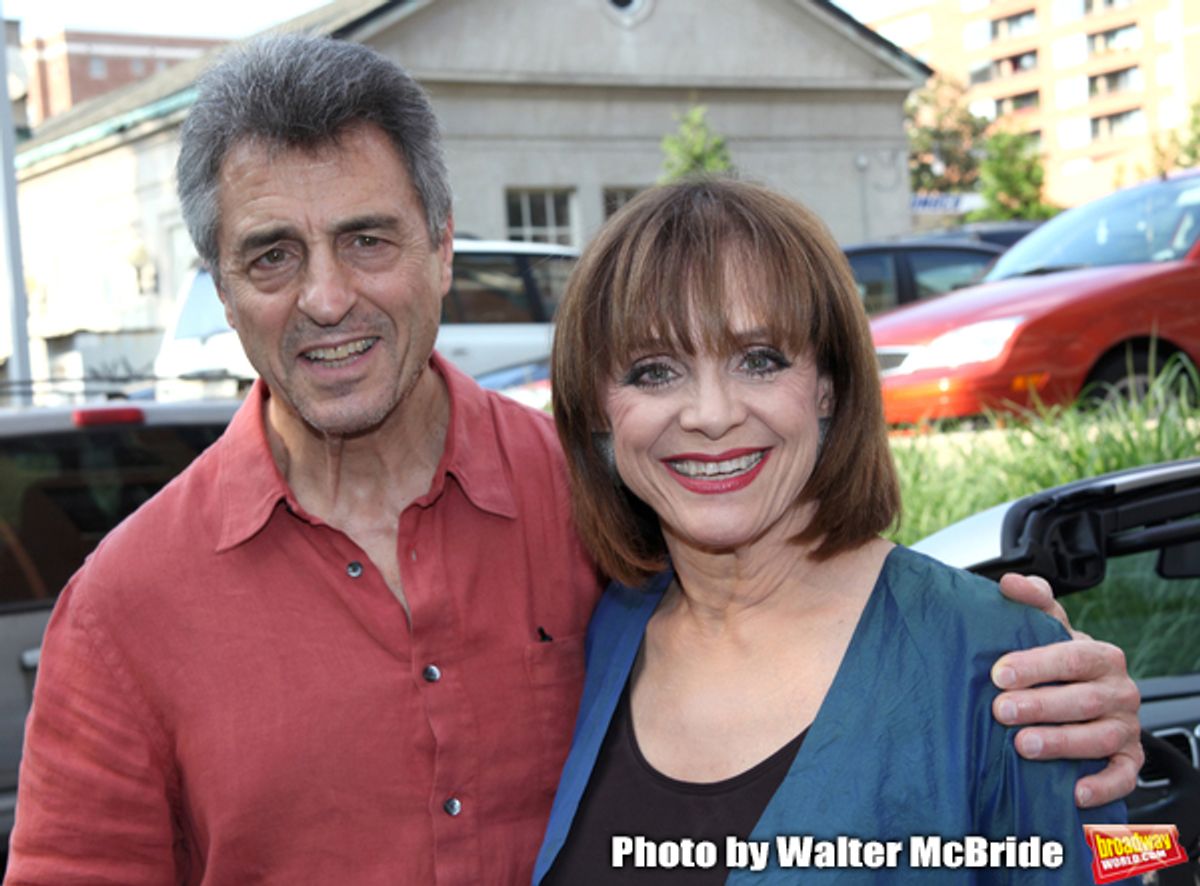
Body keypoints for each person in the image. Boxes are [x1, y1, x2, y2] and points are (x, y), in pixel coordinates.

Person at [6, 35, 1137, 885]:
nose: (327, 296)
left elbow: (868, 651)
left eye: (368, 237)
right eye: (271, 255)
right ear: (218, 282)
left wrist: (1043, 680)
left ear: (443, 247)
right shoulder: (122, 612)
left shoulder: (600, 508)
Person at [534, 179, 1125, 883]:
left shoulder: (1007, 668)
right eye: (654, 371)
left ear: (829, 386)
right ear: (598, 411)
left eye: (760, 360)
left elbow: (1124, 858)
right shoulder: (607, 632)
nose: (711, 413)